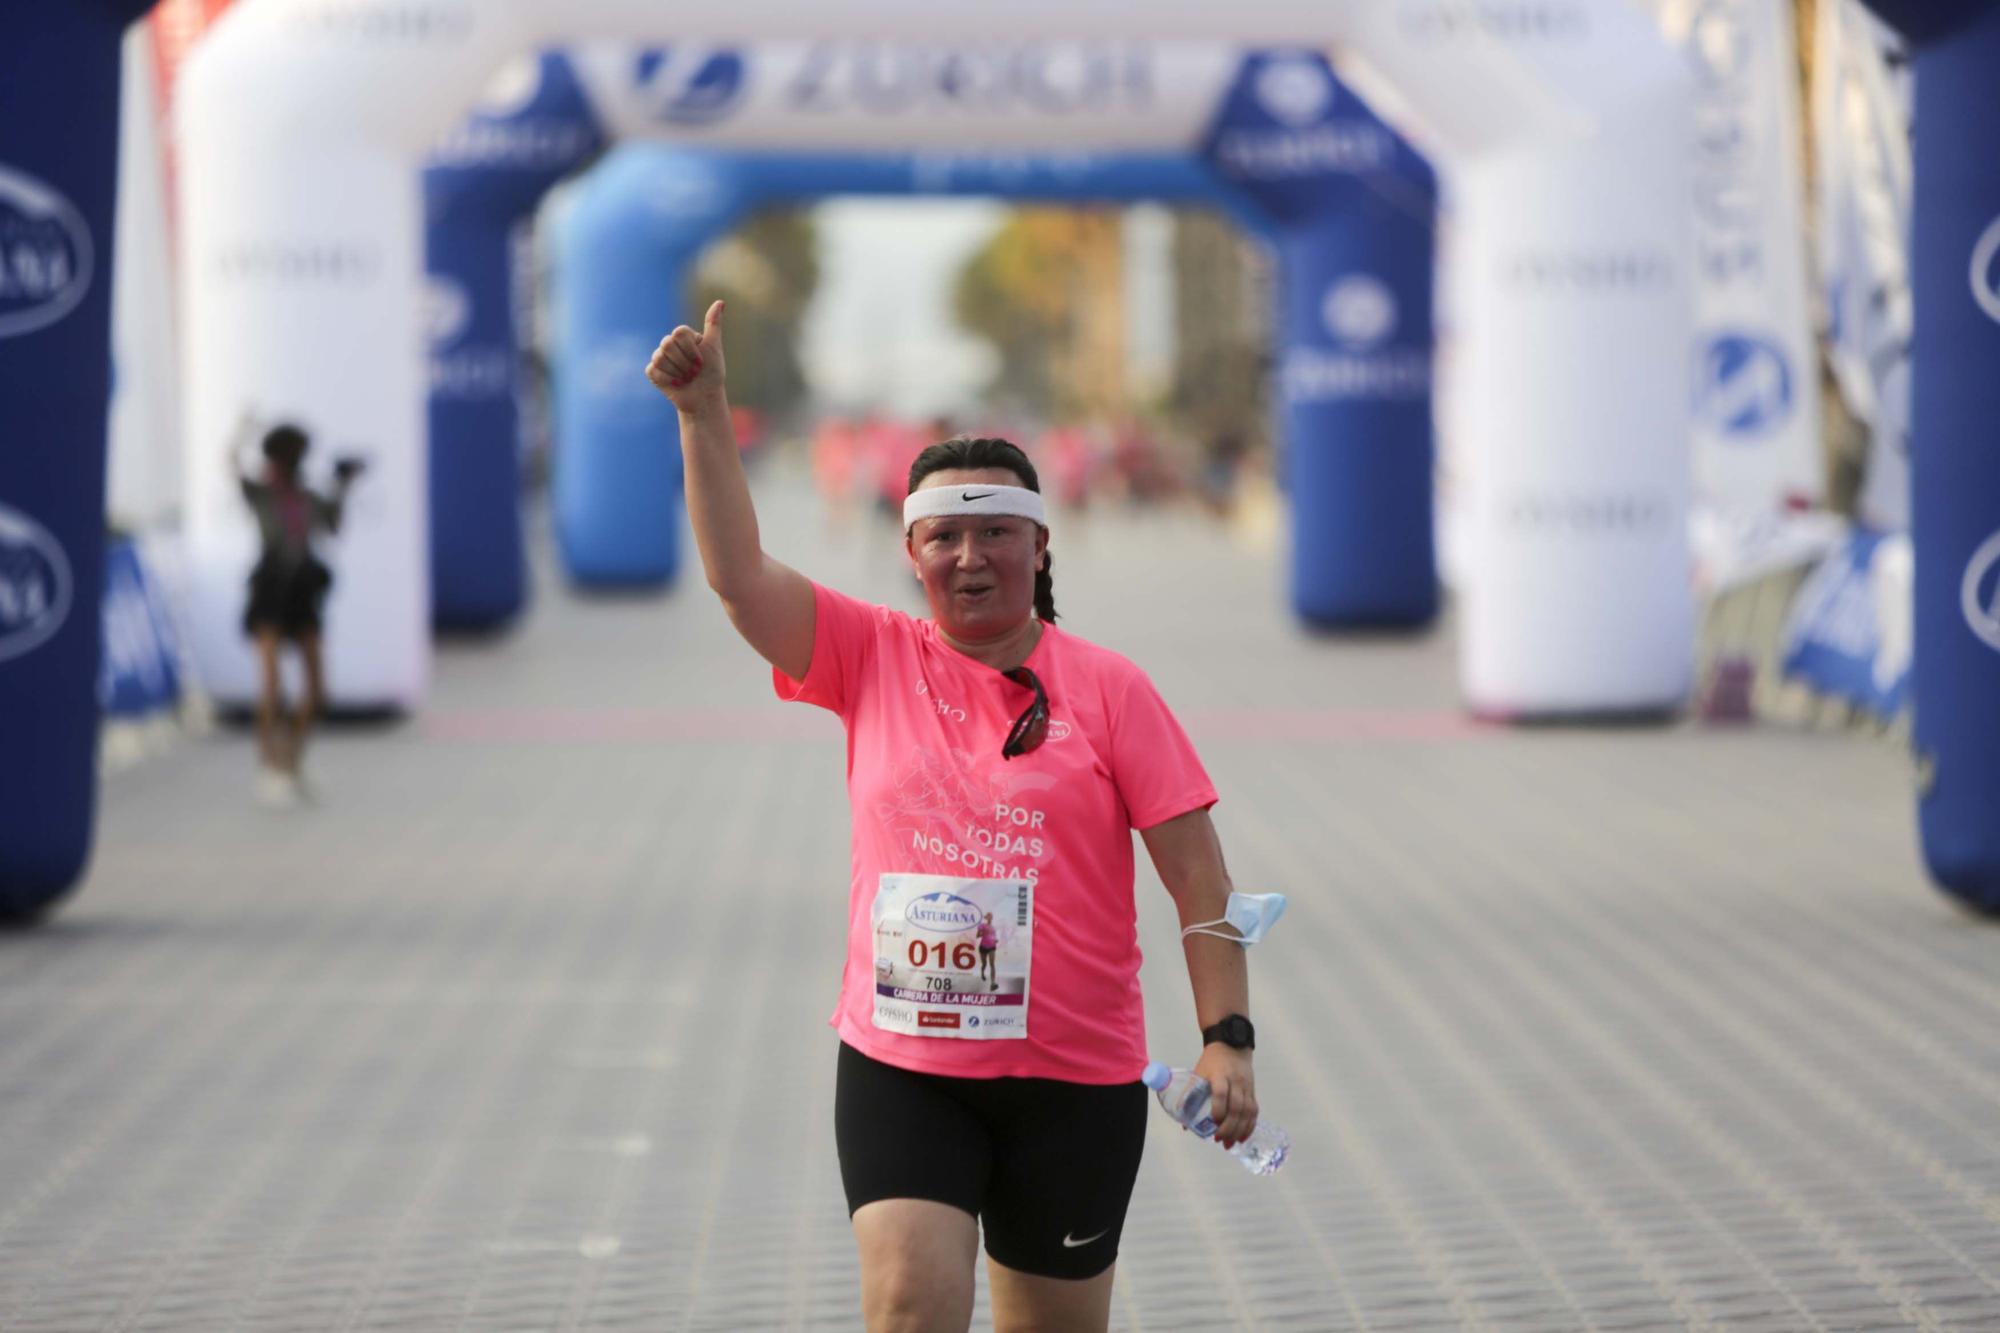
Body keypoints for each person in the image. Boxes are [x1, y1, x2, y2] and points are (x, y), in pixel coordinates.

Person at [646, 302, 1262, 1333]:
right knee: (906, 1302)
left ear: (1036, 545)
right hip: (905, 1065)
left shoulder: (1110, 690)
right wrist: (704, 417)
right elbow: (737, 579)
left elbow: (1199, 878)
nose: (969, 557)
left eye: (993, 534)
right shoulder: (865, 652)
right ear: (910, 549)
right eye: (943, 537)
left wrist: (1227, 1038)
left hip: (1073, 1075)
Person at [228, 413, 364, 805]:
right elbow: (232, 465)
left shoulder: (308, 498)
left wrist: (343, 487)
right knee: (272, 687)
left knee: (317, 690)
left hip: (303, 590)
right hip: (271, 589)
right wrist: (241, 433)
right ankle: (269, 765)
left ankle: (293, 760)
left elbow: (333, 526)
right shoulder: (262, 494)